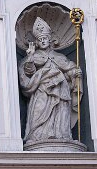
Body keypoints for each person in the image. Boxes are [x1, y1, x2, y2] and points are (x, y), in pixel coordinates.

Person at [18, 17, 82, 146]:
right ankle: (37, 136)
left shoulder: (60, 57)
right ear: (36, 42)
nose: (42, 41)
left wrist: (75, 72)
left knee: (61, 111)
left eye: (45, 38)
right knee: (39, 112)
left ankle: (61, 135)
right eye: (40, 39)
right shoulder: (33, 56)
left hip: (61, 89)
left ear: (51, 40)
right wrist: (30, 56)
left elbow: (69, 69)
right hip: (41, 89)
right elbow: (28, 72)